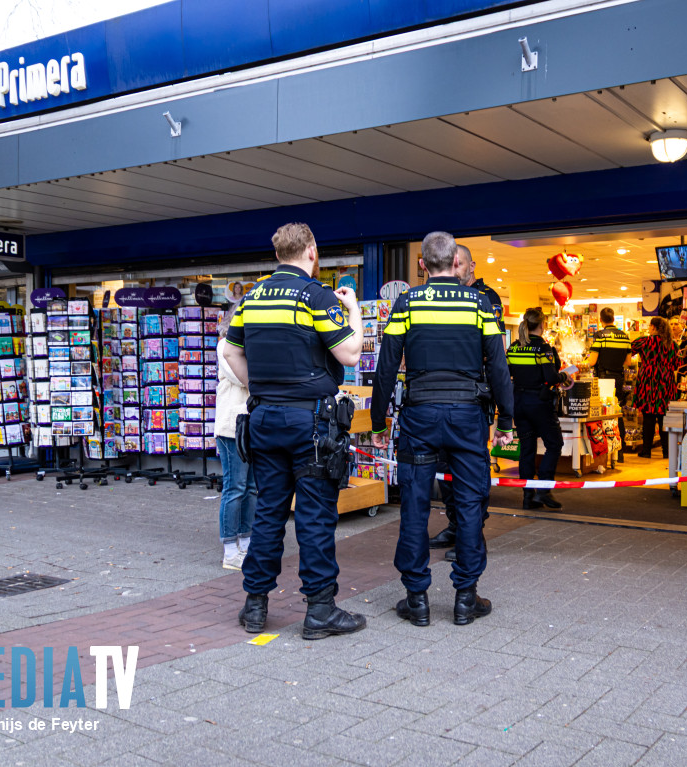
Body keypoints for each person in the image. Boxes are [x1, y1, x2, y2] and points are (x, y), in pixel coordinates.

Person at [222, 222, 367, 639]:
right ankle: (320, 610)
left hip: (265, 419)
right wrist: (353, 310)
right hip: (310, 424)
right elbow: (350, 354)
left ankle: (255, 605)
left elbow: (231, 349)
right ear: (311, 251)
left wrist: (259, 387)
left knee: (268, 512)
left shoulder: (252, 298)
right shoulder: (315, 296)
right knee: (315, 516)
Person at [371, 231, 515, 627]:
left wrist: (378, 419)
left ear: (422, 264)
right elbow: (498, 367)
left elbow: (387, 365)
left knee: (415, 505)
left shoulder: (407, 304)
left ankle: (416, 600)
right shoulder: (479, 304)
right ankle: (465, 599)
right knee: (470, 506)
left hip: (420, 417)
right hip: (468, 419)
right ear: (456, 262)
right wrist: (506, 420)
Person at [429, 244, 503, 559]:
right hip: (440, 396)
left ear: (471, 266)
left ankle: (472, 534)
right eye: (451, 264)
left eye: (459, 265)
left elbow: (494, 350)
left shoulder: (486, 297)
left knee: (471, 469)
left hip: (474, 397)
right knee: (444, 466)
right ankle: (456, 525)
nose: (454, 270)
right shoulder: (440, 297)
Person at [508, 308, 570, 510]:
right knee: (554, 443)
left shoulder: (513, 348)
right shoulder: (543, 348)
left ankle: (528, 496)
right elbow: (551, 378)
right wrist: (564, 377)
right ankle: (543, 490)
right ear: (542, 325)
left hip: (519, 402)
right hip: (540, 402)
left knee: (526, 449)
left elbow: (507, 374)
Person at [214, 303, 256, 570]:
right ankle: (230, 550)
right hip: (231, 428)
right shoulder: (225, 346)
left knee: (250, 488)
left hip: (250, 425)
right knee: (235, 487)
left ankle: (247, 544)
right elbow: (245, 378)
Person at [628, 316, 679, 459]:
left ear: (653, 327)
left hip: (648, 382)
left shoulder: (644, 341)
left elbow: (628, 351)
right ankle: (667, 451)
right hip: (666, 382)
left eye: (650, 326)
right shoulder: (672, 344)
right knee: (664, 417)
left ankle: (646, 450)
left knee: (648, 417)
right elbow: (676, 365)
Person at [587, 307, 632, 461]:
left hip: (603, 379)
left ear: (601, 320)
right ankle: (620, 450)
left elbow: (592, 361)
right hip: (618, 378)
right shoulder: (625, 337)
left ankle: (603, 452)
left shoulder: (599, 335)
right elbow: (628, 362)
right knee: (616, 413)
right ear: (614, 319)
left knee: (602, 413)